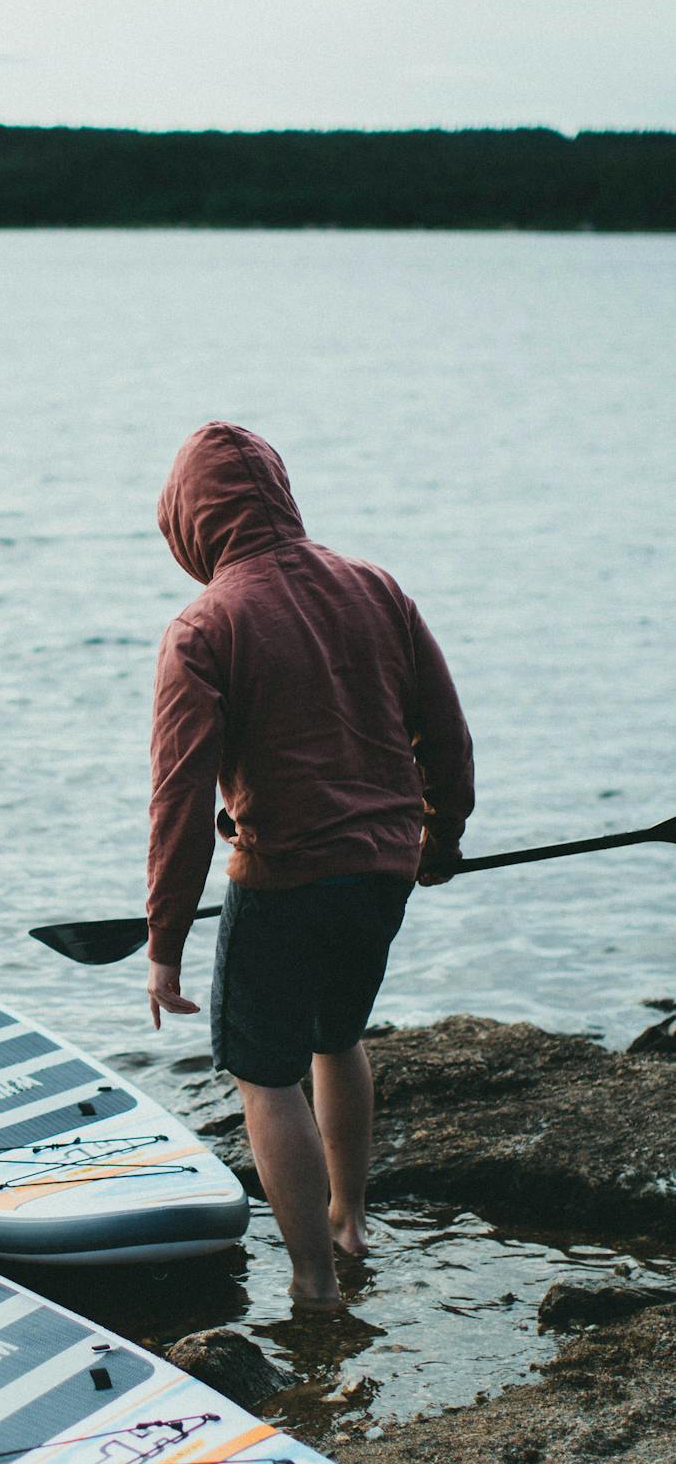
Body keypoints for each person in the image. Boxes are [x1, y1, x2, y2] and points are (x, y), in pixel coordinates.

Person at [145, 422, 474, 1307]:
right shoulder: (373, 587)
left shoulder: (204, 625)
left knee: (266, 1074)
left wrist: (163, 941)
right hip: (381, 872)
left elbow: (178, 801)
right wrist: (436, 844)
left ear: (187, 521)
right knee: (336, 1036)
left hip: (284, 877)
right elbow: (442, 734)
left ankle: (312, 1281)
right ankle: (351, 1223)